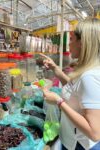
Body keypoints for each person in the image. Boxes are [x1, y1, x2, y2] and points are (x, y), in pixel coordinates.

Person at [40, 18, 100, 150]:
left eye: (72, 39)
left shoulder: (90, 77)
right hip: (72, 140)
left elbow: (95, 132)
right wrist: (56, 70)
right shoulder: (88, 69)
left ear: (82, 43)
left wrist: (58, 101)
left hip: (80, 145)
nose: (68, 44)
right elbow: (76, 92)